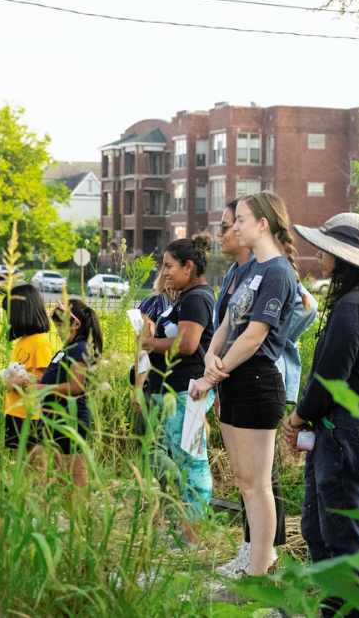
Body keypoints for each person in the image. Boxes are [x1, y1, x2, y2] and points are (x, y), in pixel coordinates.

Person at [283, 213, 359, 618]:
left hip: (345, 436)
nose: (319, 253)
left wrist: (297, 417)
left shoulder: (354, 305)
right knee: (320, 529)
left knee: (346, 541)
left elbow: (331, 377)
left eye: (326, 247)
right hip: (345, 433)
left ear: (345, 255)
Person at [192, 191, 299, 577]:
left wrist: (209, 376)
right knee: (242, 480)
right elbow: (225, 324)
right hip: (232, 380)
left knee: (258, 484)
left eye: (240, 219)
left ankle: (260, 570)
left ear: (262, 224)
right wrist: (210, 356)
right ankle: (254, 557)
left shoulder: (278, 272)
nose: (234, 227)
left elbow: (254, 336)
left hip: (257, 380)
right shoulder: (250, 269)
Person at [136, 234, 217, 548]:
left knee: (193, 463)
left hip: (189, 394)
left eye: (169, 265)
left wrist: (149, 343)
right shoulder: (183, 298)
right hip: (173, 395)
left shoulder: (197, 298)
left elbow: (187, 344)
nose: (164, 271)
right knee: (182, 461)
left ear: (189, 267)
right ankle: (185, 530)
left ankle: (193, 538)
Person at [8, 299, 103, 490]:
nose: (58, 333)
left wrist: (43, 389)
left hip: (70, 419)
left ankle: (81, 517)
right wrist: (33, 380)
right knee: (64, 479)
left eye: (61, 327)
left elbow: (76, 386)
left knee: (72, 481)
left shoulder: (81, 348)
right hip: (58, 420)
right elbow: (57, 378)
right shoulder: (69, 348)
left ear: (76, 324)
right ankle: (72, 517)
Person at [1, 285, 57, 451]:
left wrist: (19, 380)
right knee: (21, 462)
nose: (7, 319)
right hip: (15, 410)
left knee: (35, 461)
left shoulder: (39, 342)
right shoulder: (22, 342)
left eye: (9, 314)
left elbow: (51, 378)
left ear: (20, 313)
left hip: (32, 413)